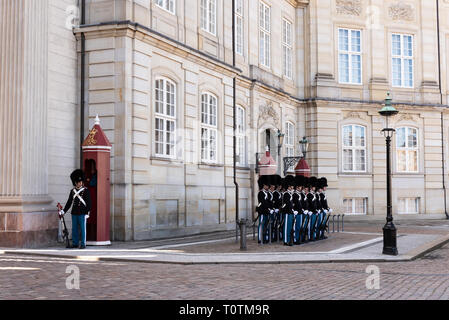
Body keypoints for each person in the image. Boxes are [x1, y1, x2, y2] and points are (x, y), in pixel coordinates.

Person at [60, 169, 91, 249]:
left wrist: (87, 212)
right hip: (74, 212)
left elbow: (89, 203)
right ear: (75, 183)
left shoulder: (86, 191)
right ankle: (75, 243)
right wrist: (64, 211)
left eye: (80, 182)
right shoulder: (72, 191)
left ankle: (83, 243)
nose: (79, 183)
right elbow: (69, 202)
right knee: (74, 229)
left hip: (82, 213)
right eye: (78, 182)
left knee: (83, 229)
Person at [256, 175, 271, 244]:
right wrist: (267, 208)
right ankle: (260, 238)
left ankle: (265, 238)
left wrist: (270, 208)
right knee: (261, 225)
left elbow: (268, 202)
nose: (268, 187)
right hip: (262, 211)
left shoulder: (266, 193)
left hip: (266, 211)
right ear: (264, 185)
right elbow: (263, 202)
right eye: (267, 185)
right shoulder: (261, 193)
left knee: (266, 225)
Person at [281, 175, 295, 246]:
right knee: (286, 227)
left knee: (290, 227)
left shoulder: (290, 194)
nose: (292, 187)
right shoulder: (286, 194)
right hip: (287, 212)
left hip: (290, 212)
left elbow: (291, 203)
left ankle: (289, 239)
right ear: (288, 186)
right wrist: (291, 209)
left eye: (292, 186)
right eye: (290, 186)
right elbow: (287, 204)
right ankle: (286, 240)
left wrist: (292, 210)